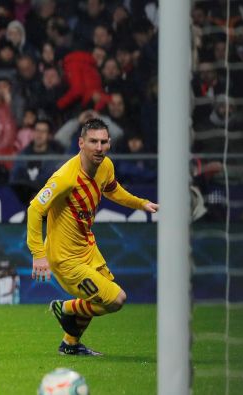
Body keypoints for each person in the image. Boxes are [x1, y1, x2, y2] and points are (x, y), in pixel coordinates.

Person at [26, 118, 158, 356]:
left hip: (87, 247)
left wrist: (141, 203)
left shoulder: (105, 165)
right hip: (65, 258)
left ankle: (70, 344)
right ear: (80, 143)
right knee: (116, 299)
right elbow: (35, 209)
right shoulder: (65, 177)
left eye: (103, 142)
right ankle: (64, 308)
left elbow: (112, 189)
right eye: (93, 141)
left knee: (101, 299)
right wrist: (38, 254)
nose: (99, 147)